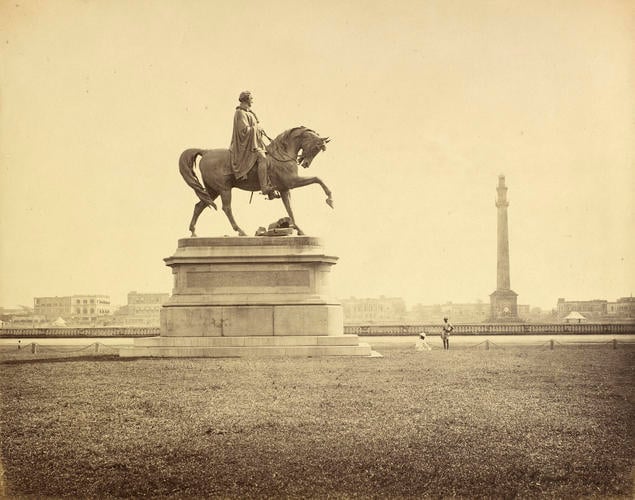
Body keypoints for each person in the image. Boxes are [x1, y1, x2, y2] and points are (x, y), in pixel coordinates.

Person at [229, 90, 277, 199]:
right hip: (244, 146)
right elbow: (243, 131)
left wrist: (259, 130)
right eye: (251, 99)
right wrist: (256, 128)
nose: (252, 101)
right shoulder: (240, 112)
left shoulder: (249, 112)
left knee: (270, 156)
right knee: (262, 158)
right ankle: (264, 187)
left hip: (253, 144)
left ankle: (270, 187)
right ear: (246, 100)